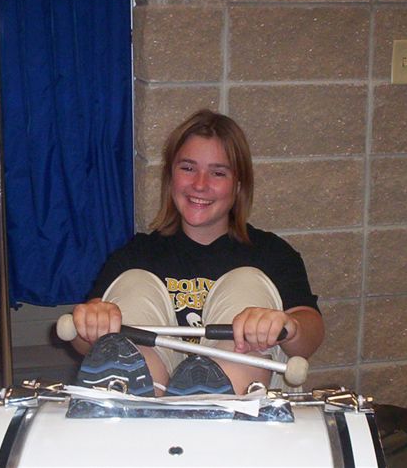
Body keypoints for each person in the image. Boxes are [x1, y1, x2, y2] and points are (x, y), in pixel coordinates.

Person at [70, 109, 324, 396]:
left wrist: (288, 327)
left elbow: (310, 337)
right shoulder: (135, 255)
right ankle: (137, 391)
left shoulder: (272, 254)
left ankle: (217, 393)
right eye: (188, 168)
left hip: (247, 405)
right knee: (134, 283)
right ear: (171, 177)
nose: (200, 184)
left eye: (218, 173)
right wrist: (91, 322)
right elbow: (82, 343)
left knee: (247, 282)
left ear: (238, 185)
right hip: (155, 396)